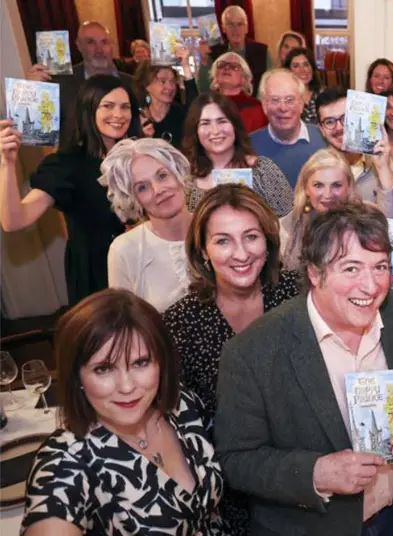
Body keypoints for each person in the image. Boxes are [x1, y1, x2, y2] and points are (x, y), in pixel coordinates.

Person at [215, 202, 393, 534]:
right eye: (351, 269)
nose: (371, 286)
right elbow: (236, 460)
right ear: (315, 274)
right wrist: (315, 473)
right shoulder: (252, 352)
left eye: (380, 267)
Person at [21, 289, 224, 534]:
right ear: (77, 377)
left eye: (141, 363)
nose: (127, 386)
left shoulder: (181, 405)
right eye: (104, 369)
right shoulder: (66, 461)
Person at [163, 184, 301, 535]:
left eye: (251, 236)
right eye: (223, 240)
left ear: (269, 241)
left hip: (307, 478)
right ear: (203, 251)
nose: (240, 253)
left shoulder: (298, 296)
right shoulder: (181, 322)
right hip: (229, 492)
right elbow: (178, 422)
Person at [0, 75, 139, 305]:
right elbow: (14, 221)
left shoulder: (138, 155)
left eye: (125, 107)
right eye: (107, 106)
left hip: (140, 262)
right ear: (88, 110)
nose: (118, 115)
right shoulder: (66, 165)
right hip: (98, 275)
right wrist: (7, 163)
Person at [101, 138, 194, 311]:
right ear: (133, 199)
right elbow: (126, 324)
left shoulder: (215, 227)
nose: (158, 190)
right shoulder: (124, 250)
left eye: (162, 176)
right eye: (142, 187)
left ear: (178, 174)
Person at [182, 92, 294, 216]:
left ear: (234, 125)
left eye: (222, 121)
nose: (215, 131)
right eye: (205, 123)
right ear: (195, 130)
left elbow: (292, 221)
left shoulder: (263, 169)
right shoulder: (185, 179)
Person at [26, 21, 135, 144]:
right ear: (79, 45)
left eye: (104, 42)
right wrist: (31, 92)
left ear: (112, 46)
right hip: (74, 159)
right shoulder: (59, 85)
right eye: (90, 42)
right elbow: (36, 134)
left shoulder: (132, 83)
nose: (99, 50)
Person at [315, 88, 393, 214]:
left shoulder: (385, 165)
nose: (339, 127)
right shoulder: (316, 170)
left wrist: (383, 169)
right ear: (321, 129)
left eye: (345, 118)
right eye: (329, 122)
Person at [278, 148, 362, 270]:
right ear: (306, 188)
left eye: (336, 185)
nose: (328, 195)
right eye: (318, 185)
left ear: (349, 187)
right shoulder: (285, 229)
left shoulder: (364, 223)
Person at [249, 69, 326, 188]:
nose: (283, 108)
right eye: (275, 100)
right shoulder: (249, 146)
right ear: (264, 106)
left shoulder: (323, 139)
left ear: (301, 104)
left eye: (290, 100)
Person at [133, 47, 197, 148]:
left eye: (172, 81)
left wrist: (185, 66)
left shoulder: (180, 114)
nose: (170, 87)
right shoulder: (137, 118)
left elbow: (195, 108)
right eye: (163, 81)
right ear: (146, 85)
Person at [200, 5, 271, 95]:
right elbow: (204, 90)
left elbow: (268, 85)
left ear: (246, 28)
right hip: (222, 105)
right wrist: (204, 61)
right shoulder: (214, 52)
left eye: (240, 24)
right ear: (224, 28)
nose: (235, 29)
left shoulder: (262, 51)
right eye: (230, 24)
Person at [209, 52, 268, 132]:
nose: (226, 68)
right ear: (215, 75)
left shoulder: (255, 107)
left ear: (244, 79)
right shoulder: (206, 103)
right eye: (221, 65)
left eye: (234, 67)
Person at [284, 47, 322, 125]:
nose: (302, 70)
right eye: (296, 66)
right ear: (289, 71)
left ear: (312, 68)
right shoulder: (284, 99)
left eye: (306, 65)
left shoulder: (324, 94)